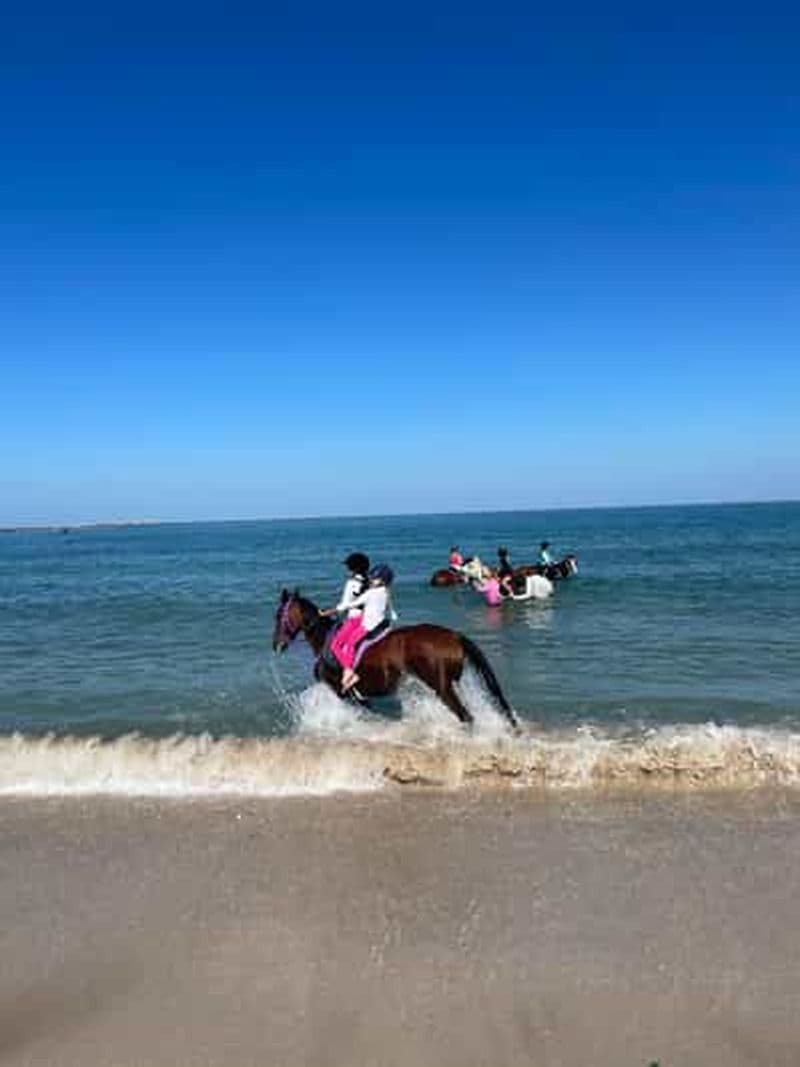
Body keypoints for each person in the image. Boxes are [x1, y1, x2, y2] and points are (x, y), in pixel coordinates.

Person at [333, 563, 396, 694]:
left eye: (375, 578)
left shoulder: (370, 593)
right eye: (372, 577)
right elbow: (391, 610)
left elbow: (353, 604)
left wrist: (336, 609)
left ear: (382, 581)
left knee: (348, 644)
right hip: (382, 625)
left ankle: (349, 672)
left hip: (368, 627)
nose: (371, 580)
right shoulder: (386, 592)